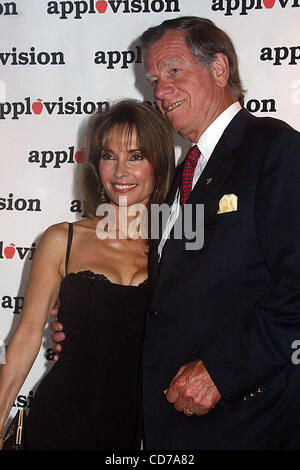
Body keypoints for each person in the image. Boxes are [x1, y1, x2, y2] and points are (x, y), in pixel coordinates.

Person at [51, 17, 300, 450]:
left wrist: (223, 372)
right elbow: (173, 296)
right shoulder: (182, 176)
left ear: (219, 70)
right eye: (152, 80)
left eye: (173, 71)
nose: (159, 92)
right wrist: (87, 318)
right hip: (171, 427)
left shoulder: (274, 150)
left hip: (251, 424)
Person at [0, 99, 174, 450]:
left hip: (138, 434)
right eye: (109, 156)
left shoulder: (175, 250)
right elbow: (27, 336)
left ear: (158, 164)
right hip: (58, 424)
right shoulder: (62, 239)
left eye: (136, 156)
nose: (120, 172)